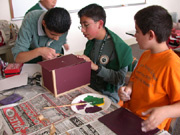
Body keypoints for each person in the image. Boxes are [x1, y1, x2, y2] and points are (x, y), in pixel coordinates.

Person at [118, 5, 180, 133]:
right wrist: (128, 89)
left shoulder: (173, 65)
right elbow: (134, 79)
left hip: (148, 125)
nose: (135, 36)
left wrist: (165, 111)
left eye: (137, 31)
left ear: (151, 35)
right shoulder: (146, 54)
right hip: (130, 115)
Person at [77, 4, 133, 103]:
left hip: (108, 94)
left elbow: (119, 79)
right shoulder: (91, 42)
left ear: (100, 24)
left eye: (86, 25)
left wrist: (96, 67)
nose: (82, 29)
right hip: (90, 88)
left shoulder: (120, 48)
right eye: (81, 25)